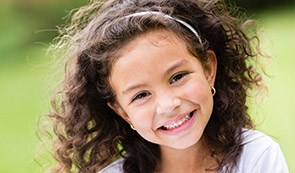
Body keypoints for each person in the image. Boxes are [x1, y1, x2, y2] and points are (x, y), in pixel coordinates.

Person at [47, 0, 289, 172]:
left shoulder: (256, 157)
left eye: (177, 77)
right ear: (121, 111)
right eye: (141, 95)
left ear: (208, 70)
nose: (167, 105)